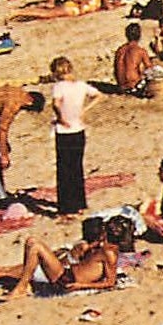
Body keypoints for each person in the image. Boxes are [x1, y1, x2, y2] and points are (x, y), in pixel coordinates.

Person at [0, 213, 130, 302]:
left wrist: (81, 285)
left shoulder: (109, 253)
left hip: (65, 278)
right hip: (64, 271)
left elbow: (110, 282)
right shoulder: (102, 248)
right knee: (5, 271)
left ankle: (21, 286)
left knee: (33, 244)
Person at [49, 54, 98, 215]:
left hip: (64, 131)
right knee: (77, 167)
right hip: (79, 128)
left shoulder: (59, 87)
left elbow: (56, 104)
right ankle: (79, 204)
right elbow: (98, 95)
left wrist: (60, 118)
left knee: (64, 169)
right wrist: (84, 110)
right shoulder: (81, 85)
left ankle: (66, 206)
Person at [113, 22, 151, 96]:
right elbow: (150, 69)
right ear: (139, 35)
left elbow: (115, 69)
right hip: (134, 87)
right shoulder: (140, 51)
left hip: (121, 88)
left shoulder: (120, 50)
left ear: (126, 35)